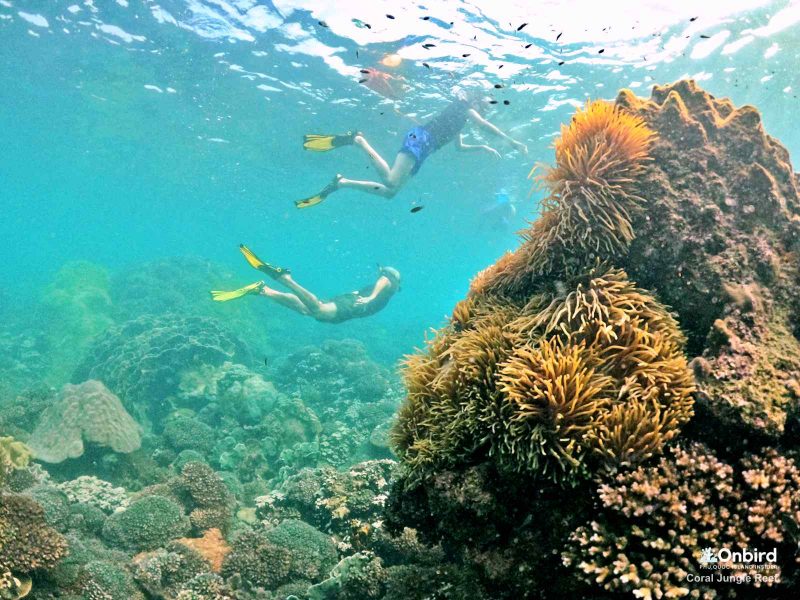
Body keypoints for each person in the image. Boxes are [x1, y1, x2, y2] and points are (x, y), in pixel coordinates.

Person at [295, 88, 529, 208]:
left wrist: (482, 148)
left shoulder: (461, 122)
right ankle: (358, 141)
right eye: (484, 105)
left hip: (424, 150)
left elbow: (460, 148)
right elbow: (485, 125)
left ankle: (341, 183)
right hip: (419, 140)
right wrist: (513, 142)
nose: (485, 110)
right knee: (389, 181)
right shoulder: (464, 108)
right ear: (475, 101)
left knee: (390, 193)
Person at [210, 245, 401, 324]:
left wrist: (369, 296)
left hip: (349, 303)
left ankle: (264, 290)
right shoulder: (388, 284)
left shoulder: (385, 287)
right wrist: (371, 297)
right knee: (317, 310)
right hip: (352, 304)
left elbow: (382, 279)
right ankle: (285, 279)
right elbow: (385, 280)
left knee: (307, 310)